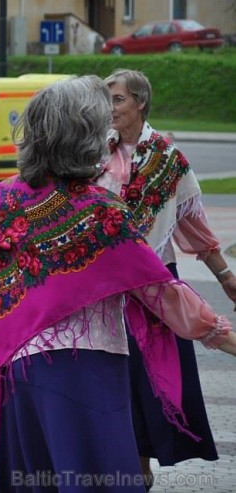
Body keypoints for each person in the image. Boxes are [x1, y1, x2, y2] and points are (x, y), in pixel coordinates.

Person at [0, 75, 233, 492]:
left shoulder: (7, 197)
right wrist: (222, 336)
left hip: (23, 374)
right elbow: (161, 294)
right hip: (86, 372)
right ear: (85, 137)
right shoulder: (102, 214)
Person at [97, 68, 236, 489]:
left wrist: (226, 276)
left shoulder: (168, 159)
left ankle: (142, 468)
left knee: (150, 377)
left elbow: (194, 227)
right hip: (107, 285)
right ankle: (130, 469)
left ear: (140, 102)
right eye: (107, 100)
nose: (111, 108)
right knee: (114, 375)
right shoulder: (95, 154)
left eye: (118, 99)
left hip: (157, 278)